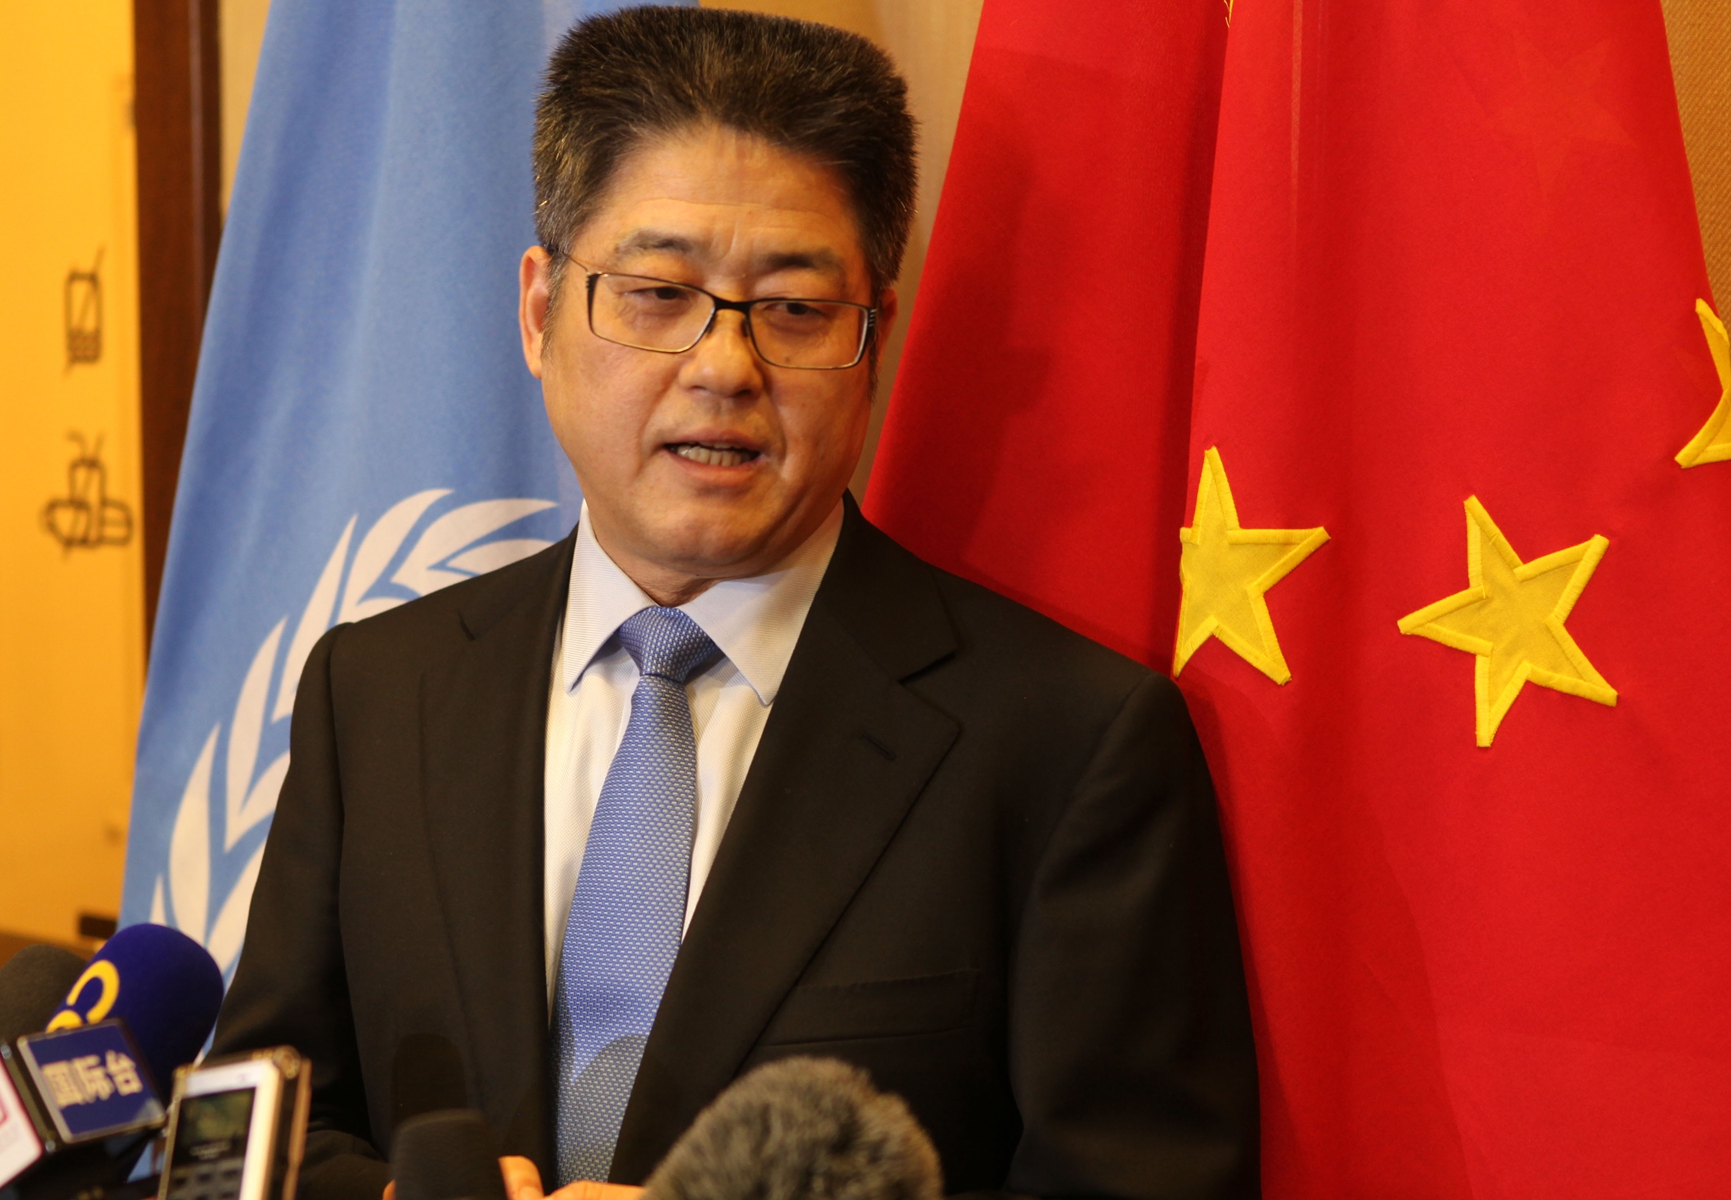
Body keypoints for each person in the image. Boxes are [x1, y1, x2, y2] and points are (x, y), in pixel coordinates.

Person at [212, 9, 1259, 1200]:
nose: (723, 367)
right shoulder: (376, 692)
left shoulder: (1067, 745)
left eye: (794, 309)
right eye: (657, 292)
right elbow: (255, 1139)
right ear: (539, 312)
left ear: (874, 339)